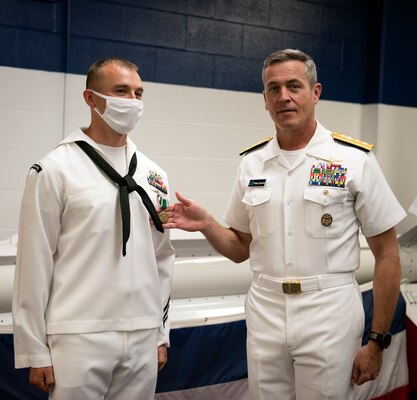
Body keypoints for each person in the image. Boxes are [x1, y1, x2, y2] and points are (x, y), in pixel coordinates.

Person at [163, 49, 406, 399]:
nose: (284, 97)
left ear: (315, 92)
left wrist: (378, 340)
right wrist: (206, 224)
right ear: (264, 100)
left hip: (329, 310)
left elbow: (387, 255)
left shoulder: (353, 160)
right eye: (273, 89)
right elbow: (239, 249)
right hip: (265, 309)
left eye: (294, 86)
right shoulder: (252, 164)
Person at [12, 58, 175, 399]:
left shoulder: (153, 175)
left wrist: (160, 333)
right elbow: (33, 264)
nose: (132, 100)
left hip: (143, 332)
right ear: (91, 98)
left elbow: (163, 259)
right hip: (78, 334)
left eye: (138, 92)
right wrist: (34, 350)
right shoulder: (55, 170)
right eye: (120, 91)